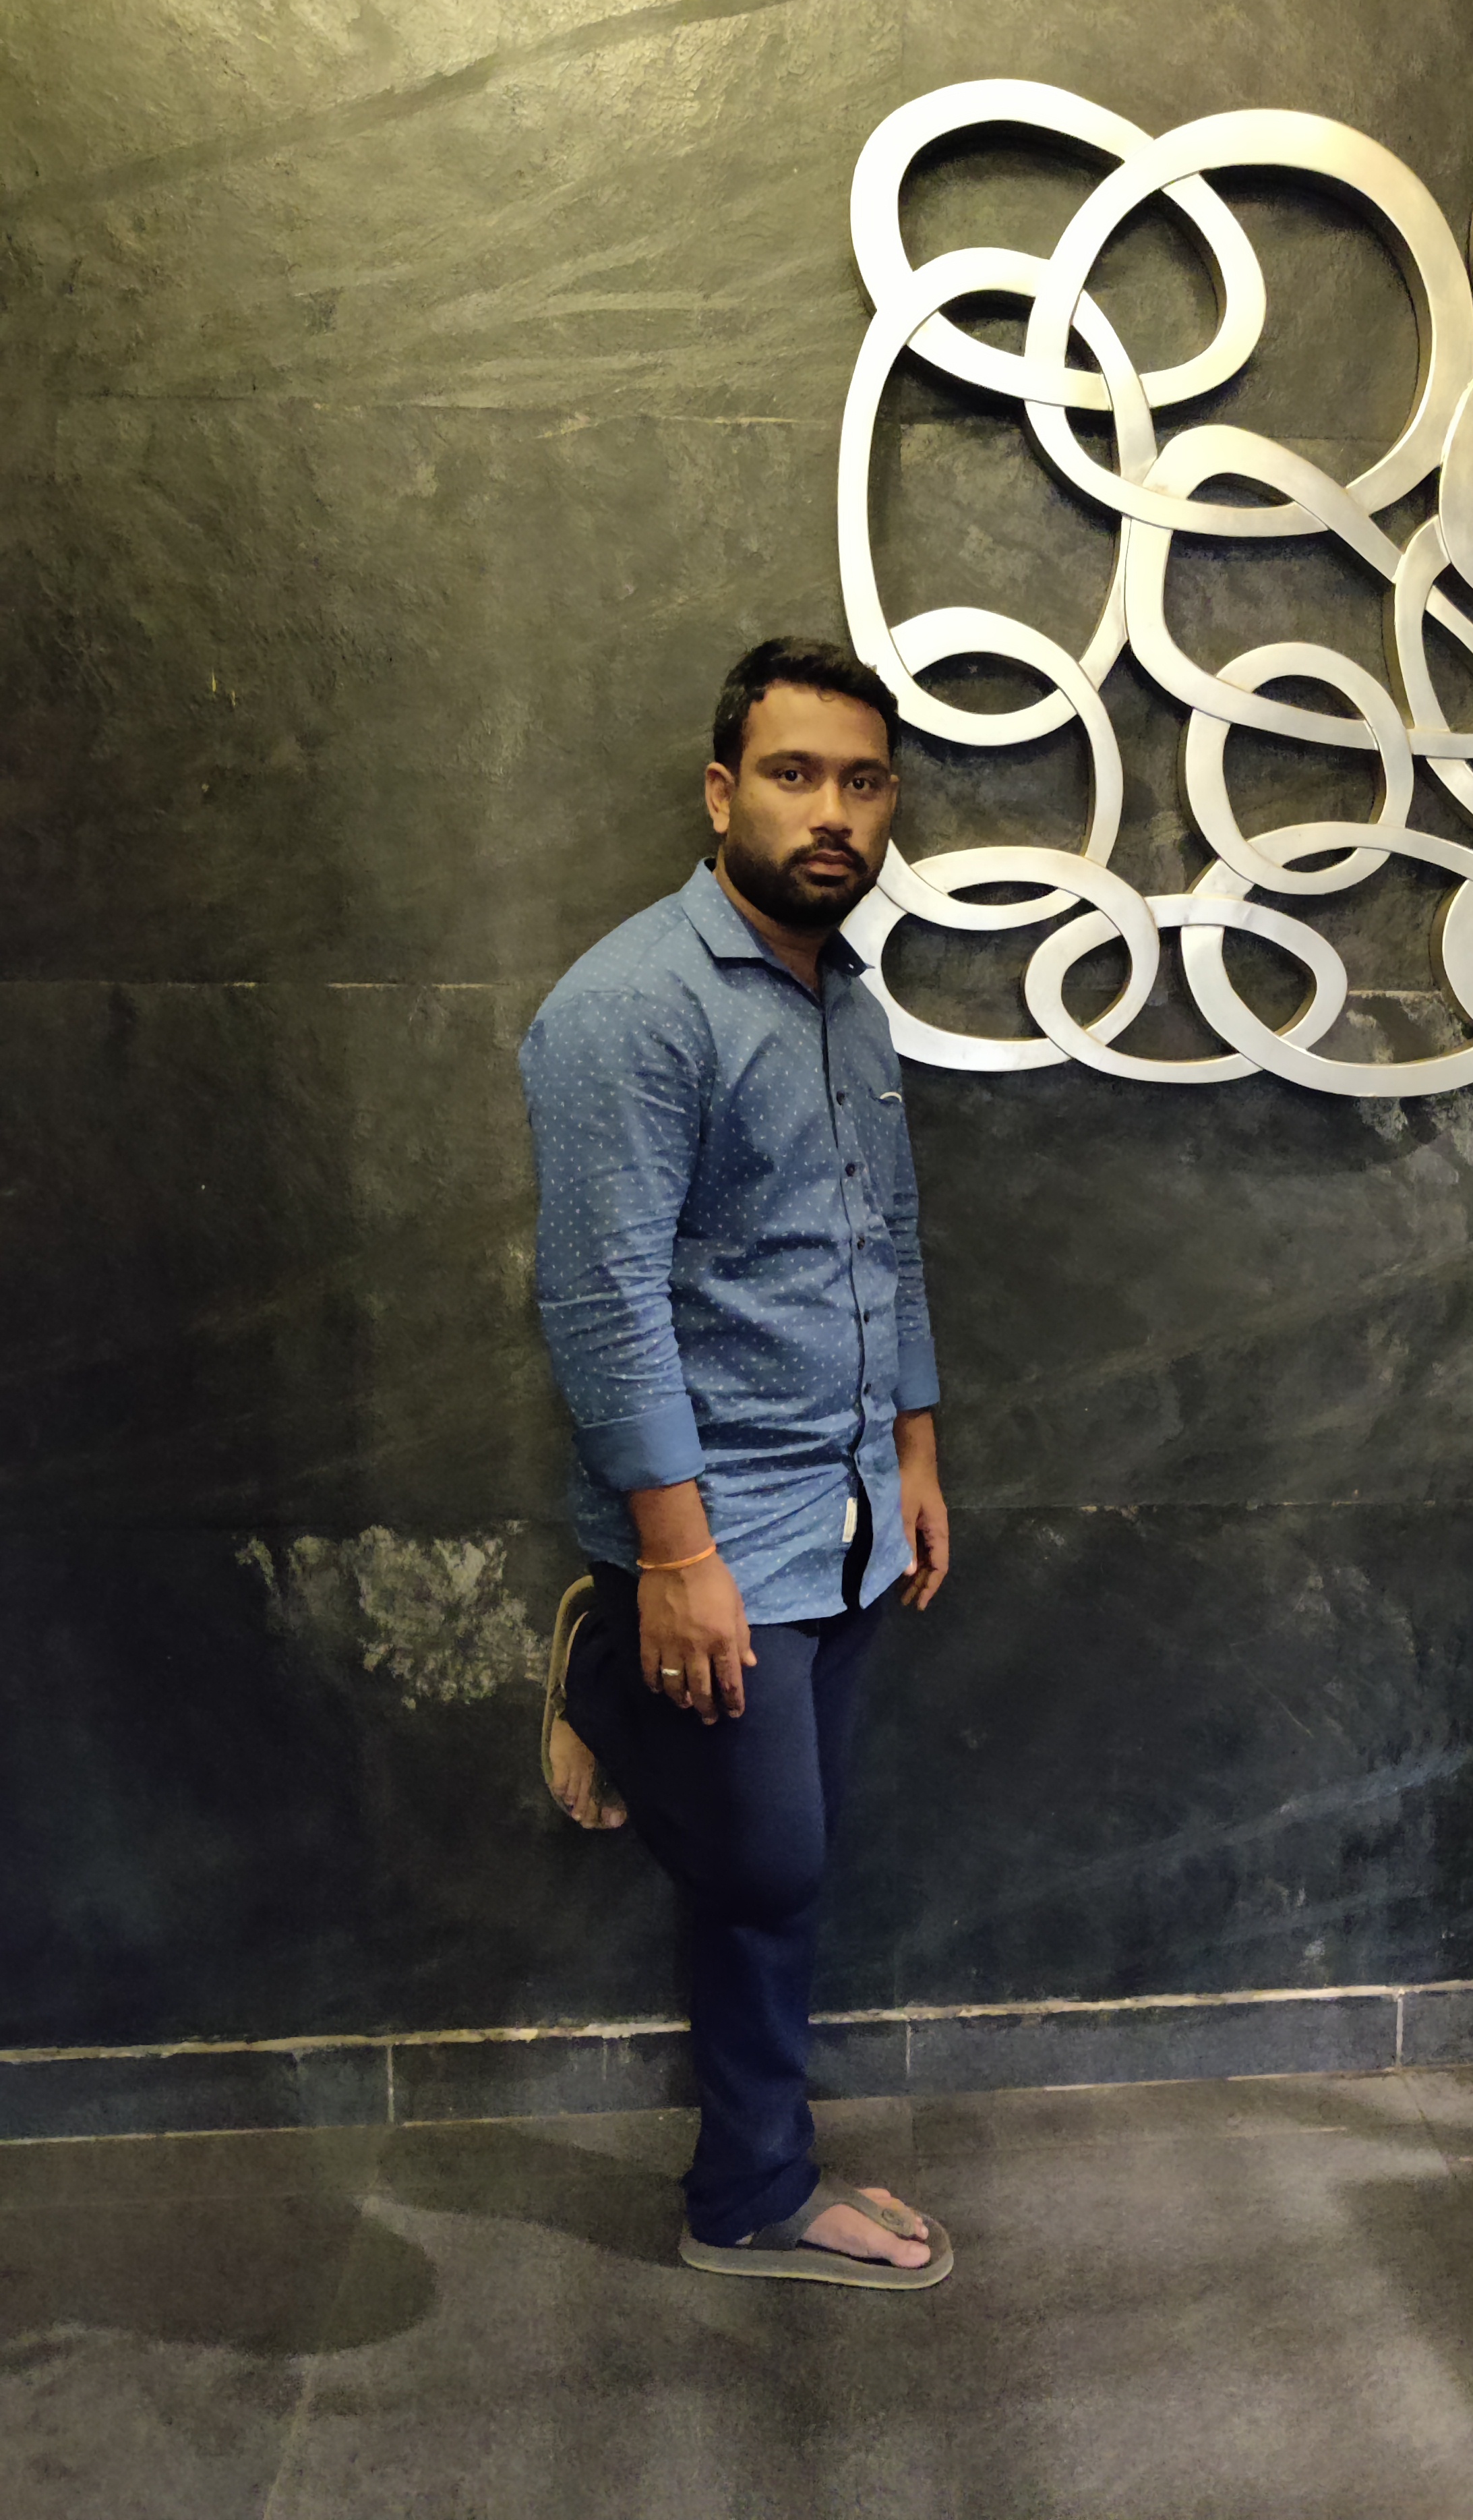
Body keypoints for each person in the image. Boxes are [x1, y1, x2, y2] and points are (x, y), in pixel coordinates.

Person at [518, 636, 953, 2289]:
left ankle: (751, 2186)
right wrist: (674, 1559)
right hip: (715, 1527)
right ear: (721, 793)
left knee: (783, 1876)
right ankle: (607, 1670)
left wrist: (914, 1447)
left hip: (848, 1505)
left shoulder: (850, 1001)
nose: (832, 812)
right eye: (793, 774)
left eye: (863, 781)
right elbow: (601, 1297)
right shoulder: (632, 1007)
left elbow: (886, 1240)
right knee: (773, 1858)